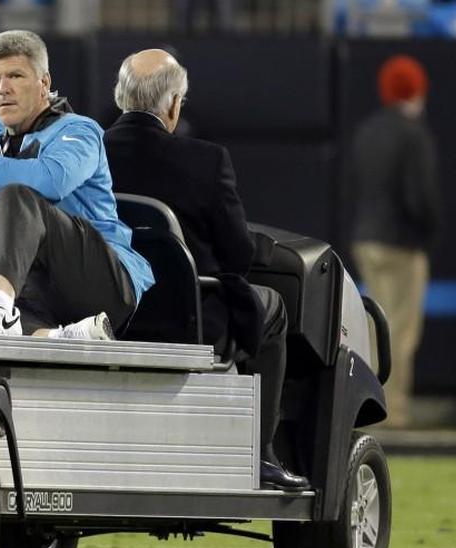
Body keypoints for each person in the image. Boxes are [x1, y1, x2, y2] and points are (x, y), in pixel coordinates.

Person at [102, 49, 307, 490]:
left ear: (120, 97)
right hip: (187, 322)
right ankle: (259, 453)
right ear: (173, 104)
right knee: (272, 307)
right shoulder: (206, 161)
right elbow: (237, 255)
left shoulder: (87, 155)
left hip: (102, 320)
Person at [0, 30, 154, 341]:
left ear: (44, 83)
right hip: (41, 296)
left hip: (106, 286)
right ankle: (56, 336)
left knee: (17, 194)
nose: (2, 89)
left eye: (15, 76)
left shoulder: (79, 130)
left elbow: (52, 180)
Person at [349, 54, 441, 430]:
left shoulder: (368, 131)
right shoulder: (413, 134)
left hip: (367, 238)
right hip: (401, 243)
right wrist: (429, 233)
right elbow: (420, 197)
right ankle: (395, 411)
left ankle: (368, 408)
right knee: (401, 331)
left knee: (376, 328)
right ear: (417, 88)